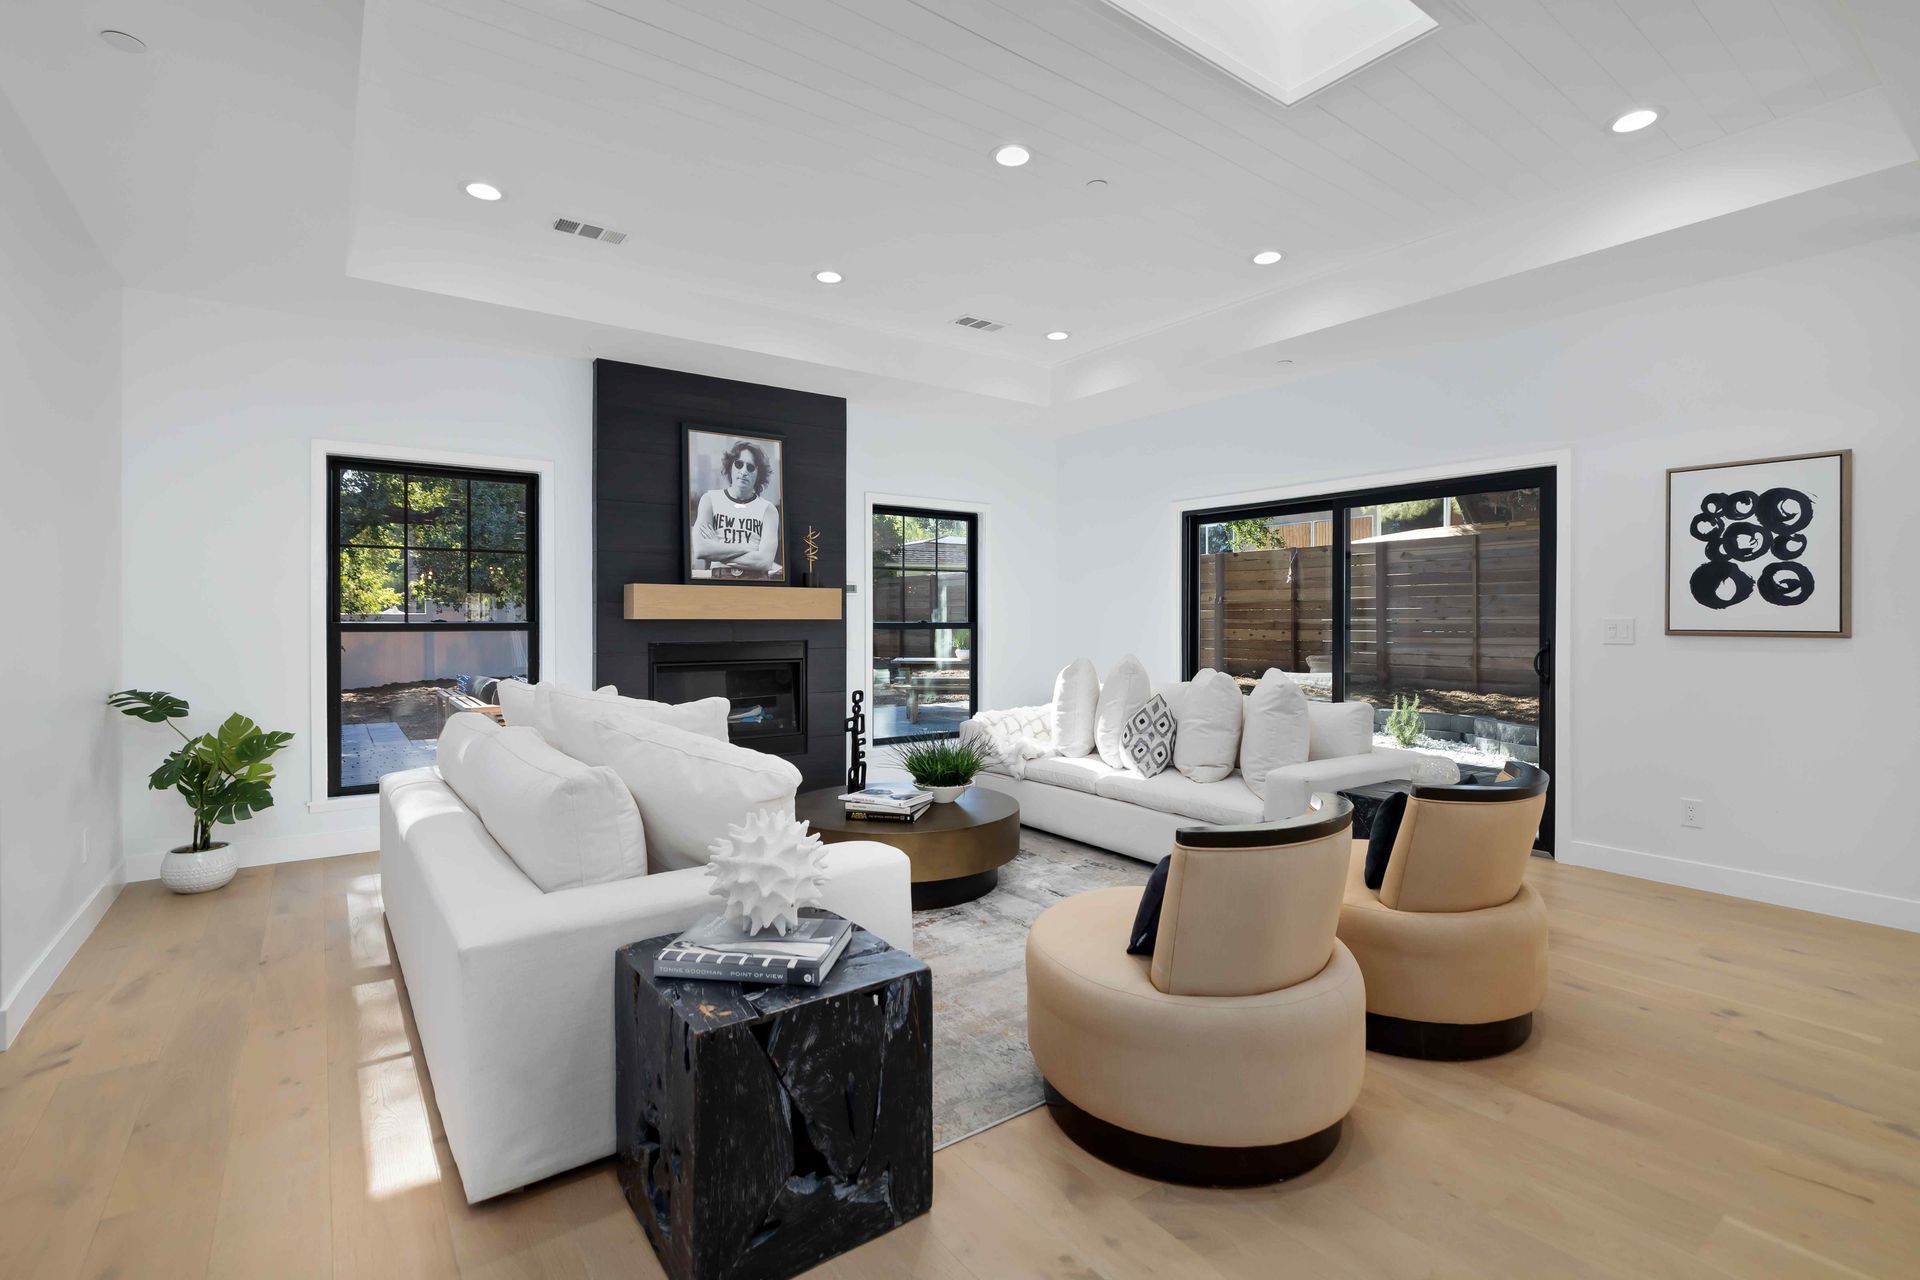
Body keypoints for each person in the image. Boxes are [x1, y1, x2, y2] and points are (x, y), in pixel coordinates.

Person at [691, 439, 782, 579]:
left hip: (757, 583)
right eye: (739, 464)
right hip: (718, 582)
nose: (743, 471)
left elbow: (764, 561)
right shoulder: (709, 500)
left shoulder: (768, 510)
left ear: (759, 474)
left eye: (750, 467)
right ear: (731, 467)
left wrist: (718, 547)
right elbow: (701, 549)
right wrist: (748, 549)